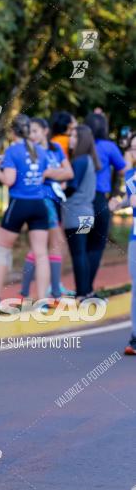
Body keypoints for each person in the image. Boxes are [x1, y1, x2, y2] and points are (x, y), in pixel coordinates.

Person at [0, 114, 50, 306]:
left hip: (19, 204)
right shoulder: (41, 150)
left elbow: (9, 180)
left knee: (2, 251)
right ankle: (42, 301)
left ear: (12, 132)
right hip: (39, 204)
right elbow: (41, 177)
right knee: (41, 253)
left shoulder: (12, 151)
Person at [22, 118, 74, 300]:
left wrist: (50, 173)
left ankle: (33, 291)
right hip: (41, 200)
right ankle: (51, 291)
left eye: (35, 131)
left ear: (45, 130)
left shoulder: (55, 149)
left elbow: (69, 173)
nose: (32, 135)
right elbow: (39, 177)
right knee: (52, 243)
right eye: (30, 132)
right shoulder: (31, 151)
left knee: (45, 246)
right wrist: (55, 174)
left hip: (56, 199)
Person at [84, 111, 125, 293]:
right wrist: (118, 193)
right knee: (97, 245)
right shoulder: (109, 147)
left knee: (82, 245)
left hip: (80, 202)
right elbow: (123, 169)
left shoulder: (81, 144)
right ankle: (87, 288)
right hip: (99, 202)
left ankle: (80, 289)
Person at [61, 124, 100, 300]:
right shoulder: (90, 161)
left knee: (78, 254)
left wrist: (58, 189)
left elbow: (71, 188)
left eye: (75, 136)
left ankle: (81, 293)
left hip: (74, 213)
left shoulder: (79, 161)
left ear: (82, 140)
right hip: (87, 213)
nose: (71, 139)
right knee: (83, 253)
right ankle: (87, 291)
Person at [109, 168, 136, 355]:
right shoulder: (131, 175)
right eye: (133, 148)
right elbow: (130, 199)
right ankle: (135, 336)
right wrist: (120, 204)